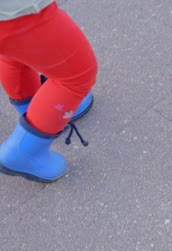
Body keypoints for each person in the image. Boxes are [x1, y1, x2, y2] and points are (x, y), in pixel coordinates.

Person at [0, 0, 98, 183]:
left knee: (14, 52)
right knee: (78, 76)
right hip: (20, 12)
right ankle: (25, 152)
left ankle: (37, 109)